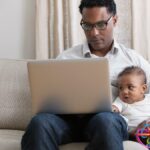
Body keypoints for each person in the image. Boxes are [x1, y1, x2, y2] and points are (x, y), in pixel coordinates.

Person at [21, 0, 150, 150]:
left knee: (106, 121)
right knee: (39, 123)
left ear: (114, 20)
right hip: (67, 122)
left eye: (101, 24)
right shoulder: (65, 58)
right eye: (87, 25)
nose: (94, 33)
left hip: (106, 122)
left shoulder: (132, 59)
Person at [112, 66, 150, 140]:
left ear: (143, 89)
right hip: (134, 133)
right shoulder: (121, 101)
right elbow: (114, 108)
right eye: (121, 88)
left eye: (130, 87)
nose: (124, 91)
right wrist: (113, 109)